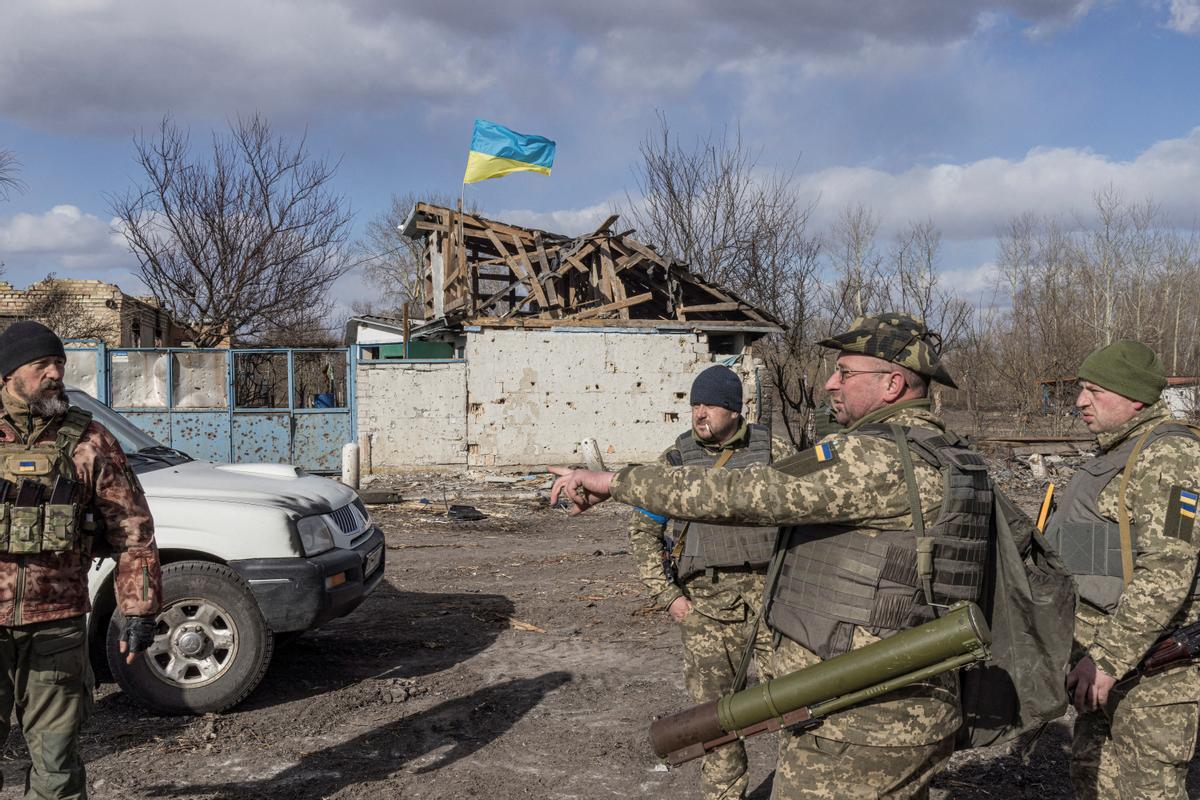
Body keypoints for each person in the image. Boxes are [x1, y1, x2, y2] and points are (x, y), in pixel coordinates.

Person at [551, 314, 992, 799]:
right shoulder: (954, 457)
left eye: (845, 372)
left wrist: (614, 482)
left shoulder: (876, 458)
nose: (830, 382)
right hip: (918, 701)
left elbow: (747, 492)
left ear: (891, 384)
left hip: (859, 723)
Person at [0, 321, 163, 800]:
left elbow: (133, 530)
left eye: (60, 365)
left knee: (57, 760)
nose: (55, 374)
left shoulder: (90, 441)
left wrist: (139, 611)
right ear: (8, 374)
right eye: (41, 366)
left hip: (58, 626)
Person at [628, 365, 793, 800]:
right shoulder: (678, 460)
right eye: (695, 405)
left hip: (774, 602)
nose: (699, 413)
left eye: (710, 405)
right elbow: (643, 529)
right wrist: (667, 596)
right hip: (706, 608)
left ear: (735, 411)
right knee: (716, 719)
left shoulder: (773, 452)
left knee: (796, 707)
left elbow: (808, 519)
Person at [1044, 341, 1200, 800]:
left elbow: (1168, 571)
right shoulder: (1118, 454)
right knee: (1093, 783)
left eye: (1094, 390)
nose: (1079, 401)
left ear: (1133, 398)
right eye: (1080, 388)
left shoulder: (1170, 456)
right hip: (1105, 668)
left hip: (1151, 676)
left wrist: (1107, 660)